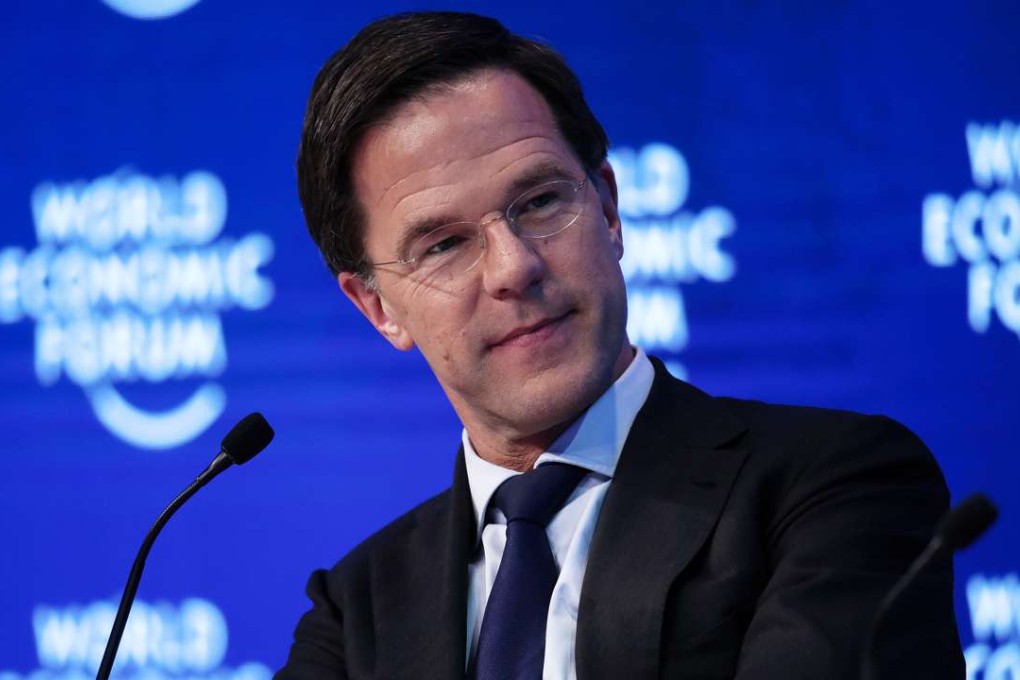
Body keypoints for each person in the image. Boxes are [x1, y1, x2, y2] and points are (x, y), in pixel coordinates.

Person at [278, 10, 963, 679]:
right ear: (377, 307)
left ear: (607, 208)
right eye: (445, 244)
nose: (514, 267)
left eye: (540, 202)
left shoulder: (828, 490)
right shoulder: (355, 613)